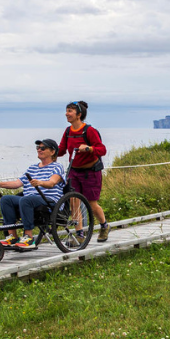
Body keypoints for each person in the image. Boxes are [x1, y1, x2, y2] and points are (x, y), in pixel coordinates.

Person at [0, 139, 66, 250]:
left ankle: (29, 237)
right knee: (6, 199)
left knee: (26, 199)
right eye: (38, 147)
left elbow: (52, 182)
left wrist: (40, 182)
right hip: (30, 199)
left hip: (48, 199)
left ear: (52, 152)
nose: (39, 149)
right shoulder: (32, 168)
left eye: (43, 148)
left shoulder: (57, 167)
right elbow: (17, 183)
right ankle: (12, 236)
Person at [58, 101, 110, 242]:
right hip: (74, 171)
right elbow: (61, 150)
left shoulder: (89, 131)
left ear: (79, 114)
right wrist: (47, 152)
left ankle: (104, 226)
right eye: (66, 110)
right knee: (74, 202)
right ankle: (80, 235)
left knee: (91, 204)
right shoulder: (68, 131)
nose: (66, 113)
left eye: (70, 111)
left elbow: (102, 150)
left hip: (91, 172)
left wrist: (89, 148)